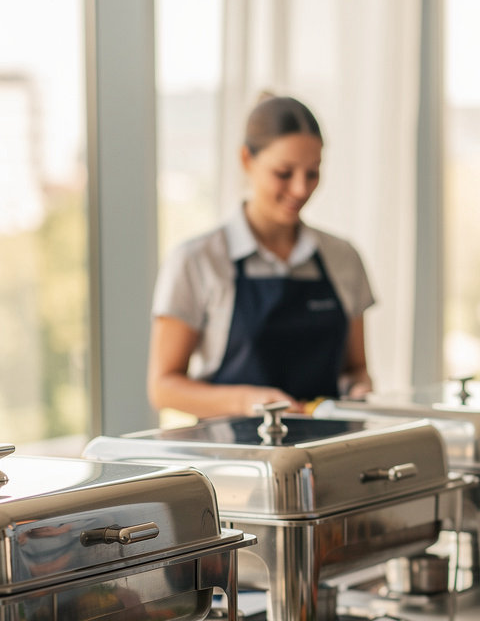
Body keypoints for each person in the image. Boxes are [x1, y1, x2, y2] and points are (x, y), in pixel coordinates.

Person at [147, 95, 374, 418]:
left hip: (327, 456)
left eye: (312, 173)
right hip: (231, 461)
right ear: (246, 160)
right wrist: (247, 402)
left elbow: (356, 369)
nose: (300, 189)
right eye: (284, 173)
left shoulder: (344, 258)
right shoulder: (197, 261)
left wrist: (359, 389)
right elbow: (163, 386)